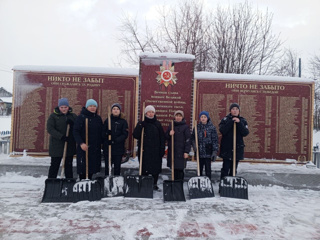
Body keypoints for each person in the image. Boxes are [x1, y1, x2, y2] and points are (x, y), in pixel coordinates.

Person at [133, 105, 165, 190]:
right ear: (146, 113)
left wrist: (162, 149)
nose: (150, 114)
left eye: (152, 112)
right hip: (144, 150)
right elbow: (135, 135)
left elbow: (162, 137)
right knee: (144, 167)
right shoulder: (142, 123)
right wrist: (140, 126)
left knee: (155, 168)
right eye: (149, 112)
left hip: (155, 150)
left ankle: (154, 183)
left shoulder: (157, 124)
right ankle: (145, 183)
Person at [47, 98, 77, 178]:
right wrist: (61, 136)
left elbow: (77, 128)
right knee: (55, 165)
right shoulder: (53, 116)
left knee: (68, 165)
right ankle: (51, 181)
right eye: (62, 107)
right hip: (57, 145)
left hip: (69, 144)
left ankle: (69, 181)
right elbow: (50, 129)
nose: (64, 109)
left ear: (68, 107)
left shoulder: (72, 116)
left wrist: (72, 124)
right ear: (59, 107)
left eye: (65, 107)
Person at [73, 99, 103, 180]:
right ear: (87, 107)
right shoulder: (81, 117)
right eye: (90, 106)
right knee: (83, 167)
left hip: (94, 147)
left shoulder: (98, 118)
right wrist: (81, 143)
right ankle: (82, 181)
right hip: (84, 147)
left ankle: (89, 181)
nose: (92, 108)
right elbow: (76, 131)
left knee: (92, 168)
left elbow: (101, 132)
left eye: (94, 106)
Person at [219, 103, 249, 180]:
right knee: (225, 169)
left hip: (237, 149)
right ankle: (223, 186)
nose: (235, 111)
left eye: (236, 109)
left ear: (239, 111)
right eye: (233, 109)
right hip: (227, 149)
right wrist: (231, 122)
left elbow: (245, 132)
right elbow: (222, 130)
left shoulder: (243, 120)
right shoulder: (225, 120)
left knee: (233, 170)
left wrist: (239, 123)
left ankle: (231, 186)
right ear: (230, 111)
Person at [102, 103, 129, 176]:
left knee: (117, 167)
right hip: (108, 148)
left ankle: (116, 181)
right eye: (114, 109)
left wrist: (116, 140)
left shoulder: (123, 122)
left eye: (117, 109)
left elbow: (125, 134)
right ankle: (107, 180)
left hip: (118, 148)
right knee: (108, 167)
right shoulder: (108, 120)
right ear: (111, 111)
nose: (116, 110)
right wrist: (107, 134)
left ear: (120, 111)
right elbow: (102, 133)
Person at [191, 111, 219, 180]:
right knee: (199, 169)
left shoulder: (212, 128)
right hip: (199, 152)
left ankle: (208, 182)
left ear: (207, 118)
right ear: (200, 118)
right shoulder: (197, 127)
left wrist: (214, 151)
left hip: (208, 152)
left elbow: (215, 140)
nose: (203, 118)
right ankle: (199, 182)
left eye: (205, 117)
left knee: (208, 170)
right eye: (202, 117)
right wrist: (195, 147)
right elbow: (193, 138)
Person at [165, 110, 191, 181]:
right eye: (176, 116)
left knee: (180, 170)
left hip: (181, 152)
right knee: (174, 169)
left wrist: (186, 151)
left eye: (180, 116)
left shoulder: (185, 127)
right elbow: (166, 137)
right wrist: (169, 134)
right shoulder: (171, 125)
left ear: (182, 117)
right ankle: (174, 185)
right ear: (174, 117)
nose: (178, 117)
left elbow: (188, 140)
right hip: (173, 151)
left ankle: (179, 185)